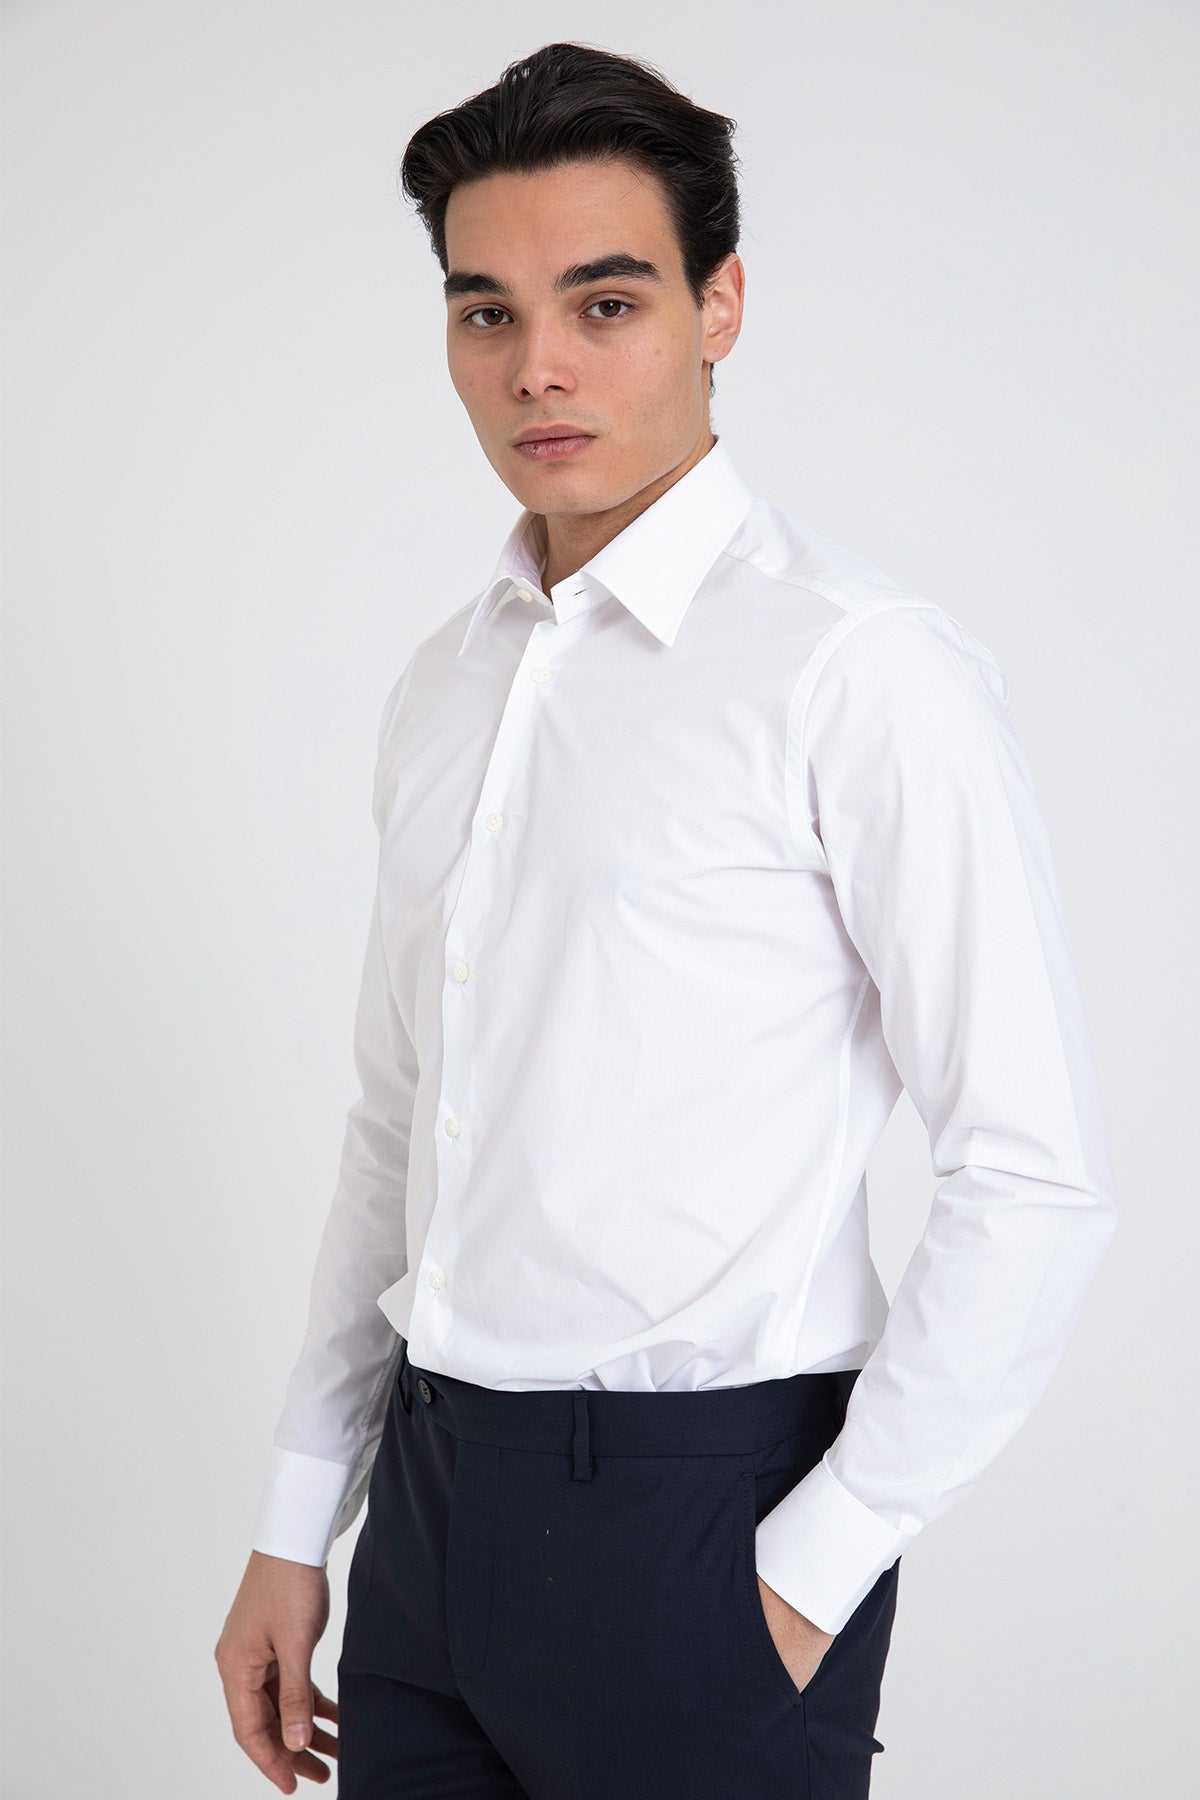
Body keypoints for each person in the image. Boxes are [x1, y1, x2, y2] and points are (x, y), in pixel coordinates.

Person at [214, 40, 1118, 1798]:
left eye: (605, 302)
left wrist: (807, 1575)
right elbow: (400, 1126)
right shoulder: (446, 684)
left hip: (707, 1524)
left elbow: (1036, 1172)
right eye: (485, 312)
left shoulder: (858, 671)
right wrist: (295, 1516)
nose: (536, 367)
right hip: (426, 1518)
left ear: (722, 307)